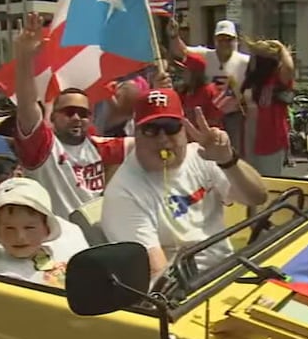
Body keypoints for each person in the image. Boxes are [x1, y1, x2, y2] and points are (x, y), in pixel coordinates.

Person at [102, 89, 268, 279]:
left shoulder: (202, 155)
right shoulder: (124, 193)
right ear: (136, 134)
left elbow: (257, 197)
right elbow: (158, 273)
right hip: (187, 285)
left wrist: (228, 160)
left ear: (184, 129)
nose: (163, 139)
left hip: (228, 267)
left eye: (171, 127)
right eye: (151, 130)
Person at [11, 12, 130, 218]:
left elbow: (153, 140)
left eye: (83, 113)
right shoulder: (43, 148)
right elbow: (27, 103)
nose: (76, 118)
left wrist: (163, 92)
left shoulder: (100, 147)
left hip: (98, 238)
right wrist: (24, 58)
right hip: (58, 243)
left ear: (90, 119)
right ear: (53, 118)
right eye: (68, 112)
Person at [0, 177, 88, 288]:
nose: (20, 237)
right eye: (9, 228)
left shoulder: (68, 240)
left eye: (30, 228)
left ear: (46, 229)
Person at [171, 19, 250, 154]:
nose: (225, 43)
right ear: (214, 40)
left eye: (229, 39)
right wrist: (173, 35)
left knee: (232, 150)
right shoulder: (205, 54)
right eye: (221, 39)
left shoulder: (246, 61)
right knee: (209, 150)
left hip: (233, 114)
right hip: (209, 113)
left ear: (236, 40)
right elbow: (182, 51)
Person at [241, 38, 296, 177]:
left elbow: (289, 67)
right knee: (252, 180)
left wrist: (280, 46)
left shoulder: (277, 78)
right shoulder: (252, 80)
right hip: (250, 136)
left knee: (270, 181)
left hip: (272, 139)